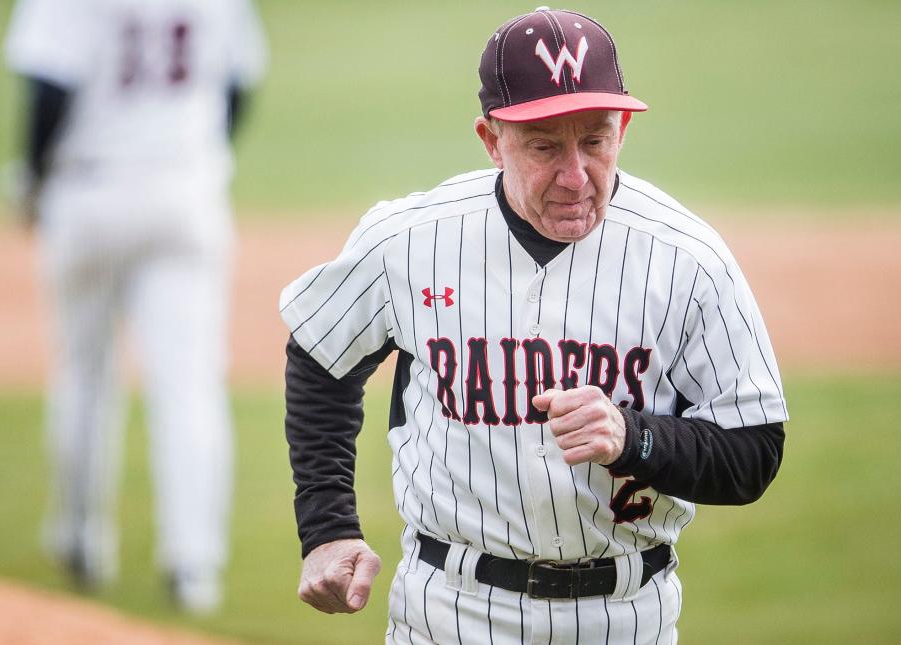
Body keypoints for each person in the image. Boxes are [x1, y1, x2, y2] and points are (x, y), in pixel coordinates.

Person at [280, 7, 787, 642]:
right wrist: (327, 529)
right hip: (450, 613)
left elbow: (756, 450)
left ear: (623, 127)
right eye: (545, 146)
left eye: (595, 141)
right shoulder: (410, 240)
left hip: (627, 616)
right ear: (491, 140)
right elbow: (321, 357)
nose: (575, 177)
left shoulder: (688, 258)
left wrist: (637, 437)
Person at [2, 0, 267, 614]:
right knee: (191, 383)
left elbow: (48, 89)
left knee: (84, 375)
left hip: (86, 188)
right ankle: (194, 564)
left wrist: (31, 179)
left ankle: (80, 538)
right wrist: (199, 156)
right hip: (185, 189)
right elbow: (238, 80)